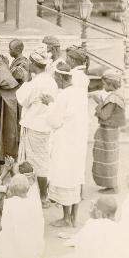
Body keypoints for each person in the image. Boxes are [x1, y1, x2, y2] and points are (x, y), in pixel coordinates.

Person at [49, 196, 129, 258]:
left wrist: (91, 216)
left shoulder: (92, 225)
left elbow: (81, 248)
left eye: (95, 208)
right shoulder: (119, 228)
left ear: (99, 213)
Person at [43, 61, 89, 227]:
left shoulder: (64, 95)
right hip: (78, 141)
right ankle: (74, 218)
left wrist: (50, 103)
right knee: (76, 177)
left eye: (56, 78)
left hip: (65, 142)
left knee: (64, 176)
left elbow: (54, 121)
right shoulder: (80, 92)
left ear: (61, 78)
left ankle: (65, 218)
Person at [16, 46, 58, 206]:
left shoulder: (36, 83)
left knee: (37, 162)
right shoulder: (50, 80)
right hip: (46, 124)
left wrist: (26, 79)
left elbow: (22, 99)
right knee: (43, 159)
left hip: (36, 125)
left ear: (33, 63)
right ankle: (40, 193)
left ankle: (42, 197)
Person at [0, 174, 44, 258]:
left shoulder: (10, 203)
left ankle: (15, 253)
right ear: (27, 188)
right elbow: (39, 224)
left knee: (2, 239)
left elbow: (6, 227)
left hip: (14, 255)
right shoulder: (35, 202)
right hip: (32, 254)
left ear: (12, 189)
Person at [91, 70, 126, 192]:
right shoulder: (118, 95)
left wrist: (99, 103)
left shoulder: (113, 98)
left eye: (105, 84)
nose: (103, 86)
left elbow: (105, 115)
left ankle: (112, 186)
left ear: (111, 84)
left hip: (108, 133)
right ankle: (110, 185)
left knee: (107, 158)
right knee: (109, 157)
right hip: (111, 132)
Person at [0, 158, 40, 223]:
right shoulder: (34, 185)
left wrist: (5, 171)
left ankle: (9, 223)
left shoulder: (11, 187)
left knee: (1, 195)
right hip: (31, 219)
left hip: (17, 218)